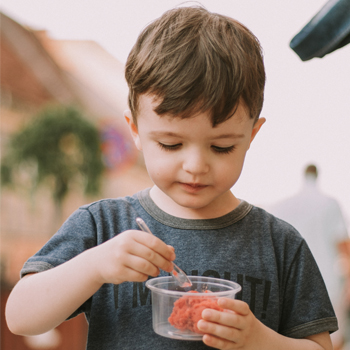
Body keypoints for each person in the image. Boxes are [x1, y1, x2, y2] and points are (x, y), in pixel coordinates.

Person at [5, 6, 337, 350]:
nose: (195, 165)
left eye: (221, 147)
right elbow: (20, 317)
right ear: (135, 130)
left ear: (252, 135)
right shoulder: (104, 226)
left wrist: (259, 339)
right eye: (170, 143)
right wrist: (95, 266)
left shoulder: (279, 243)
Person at [269, 164, 349, 350]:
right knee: (333, 341)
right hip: (326, 281)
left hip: (288, 282)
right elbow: (344, 247)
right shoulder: (329, 203)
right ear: (317, 176)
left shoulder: (282, 205)